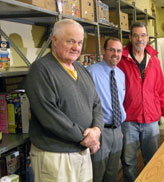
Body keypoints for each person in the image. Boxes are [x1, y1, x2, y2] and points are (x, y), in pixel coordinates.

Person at [24, 19, 104, 182]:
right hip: (56, 156)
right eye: (71, 41)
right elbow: (49, 116)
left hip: (82, 152)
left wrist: (96, 130)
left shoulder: (81, 68)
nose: (76, 47)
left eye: (80, 42)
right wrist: (86, 138)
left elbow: (96, 103)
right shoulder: (41, 70)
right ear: (54, 40)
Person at [117, 22, 164, 182]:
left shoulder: (154, 61)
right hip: (128, 119)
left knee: (152, 159)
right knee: (129, 161)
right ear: (130, 37)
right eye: (136, 35)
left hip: (151, 119)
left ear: (148, 37)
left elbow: (160, 89)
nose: (140, 39)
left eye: (143, 35)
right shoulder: (121, 61)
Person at [87, 38, 126, 182]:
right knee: (97, 173)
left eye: (119, 50)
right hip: (100, 132)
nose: (116, 54)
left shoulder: (121, 75)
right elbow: (86, 104)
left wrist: (119, 128)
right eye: (112, 50)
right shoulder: (91, 73)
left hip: (117, 131)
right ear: (104, 51)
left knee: (112, 173)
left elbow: (119, 102)